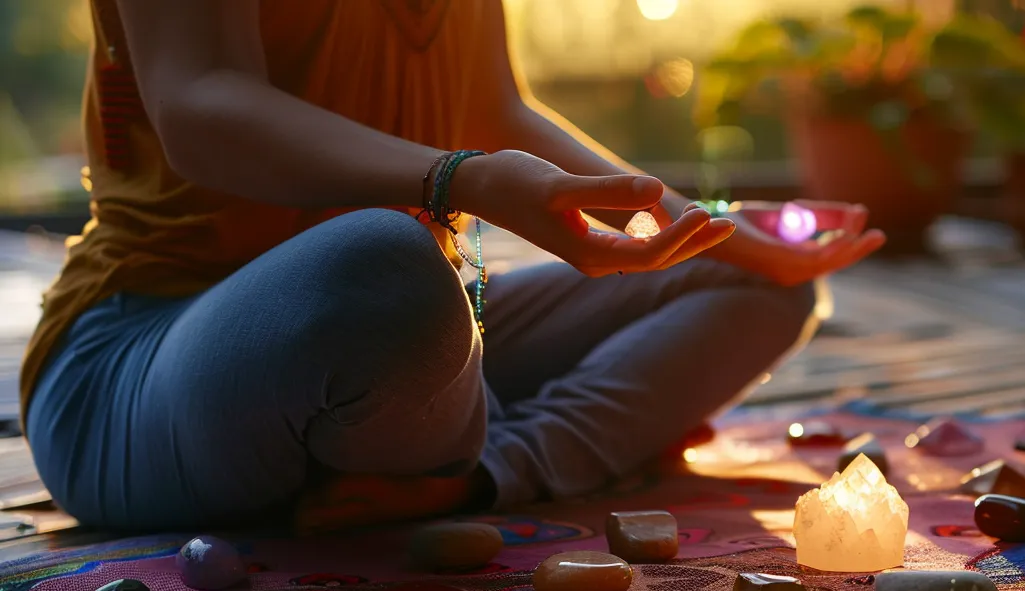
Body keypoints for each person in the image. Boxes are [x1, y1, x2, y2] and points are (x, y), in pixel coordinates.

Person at [22, 0, 885, 533]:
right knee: (388, 264)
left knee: (765, 280)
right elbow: (199, 103)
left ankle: (487, 470)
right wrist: (457, 180)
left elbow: (494, 107)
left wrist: (696, 224)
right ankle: (516, 439)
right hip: (143, 364)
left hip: (419, 332)